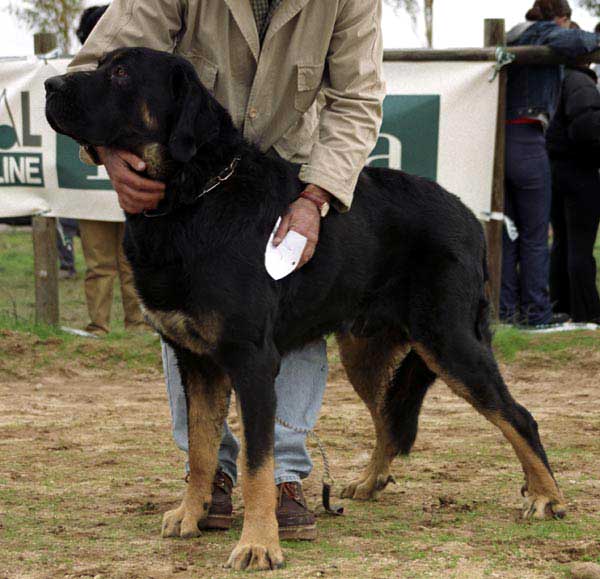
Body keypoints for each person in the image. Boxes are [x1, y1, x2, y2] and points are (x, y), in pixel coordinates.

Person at [68, 0, 385, 539]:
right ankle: (208, 477)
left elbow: (357, 96)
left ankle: (285, 477)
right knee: (186, 328)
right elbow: (91, 68)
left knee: (296, 316)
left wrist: (316, 196)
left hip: (291, 169)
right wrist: (105, 151)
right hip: (189, 173)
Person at [501, 0, 600, 328]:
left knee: (509, 233)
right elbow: (578, 42)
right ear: (560, 18)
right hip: (527, 138)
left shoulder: (513, 35)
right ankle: (536, 314)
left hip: (504, 140)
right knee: (534, 234)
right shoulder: (545, 33)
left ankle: (505, 311)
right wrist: (578, 34)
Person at [74, 5, 147, 335]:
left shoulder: (139, 82)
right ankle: (100, 326)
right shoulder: (73, 84)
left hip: (132, 189)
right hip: (88, 191)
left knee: (129, 262)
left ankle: (137, 324)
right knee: (100, 263)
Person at [547, 23, 600, 324]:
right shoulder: (581, 82)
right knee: (580, 246)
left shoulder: (561, 81)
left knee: (564, 244)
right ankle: (587, 311)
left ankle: (562, 305)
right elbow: (587, 128)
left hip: (559, 171)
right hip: (579, 172)